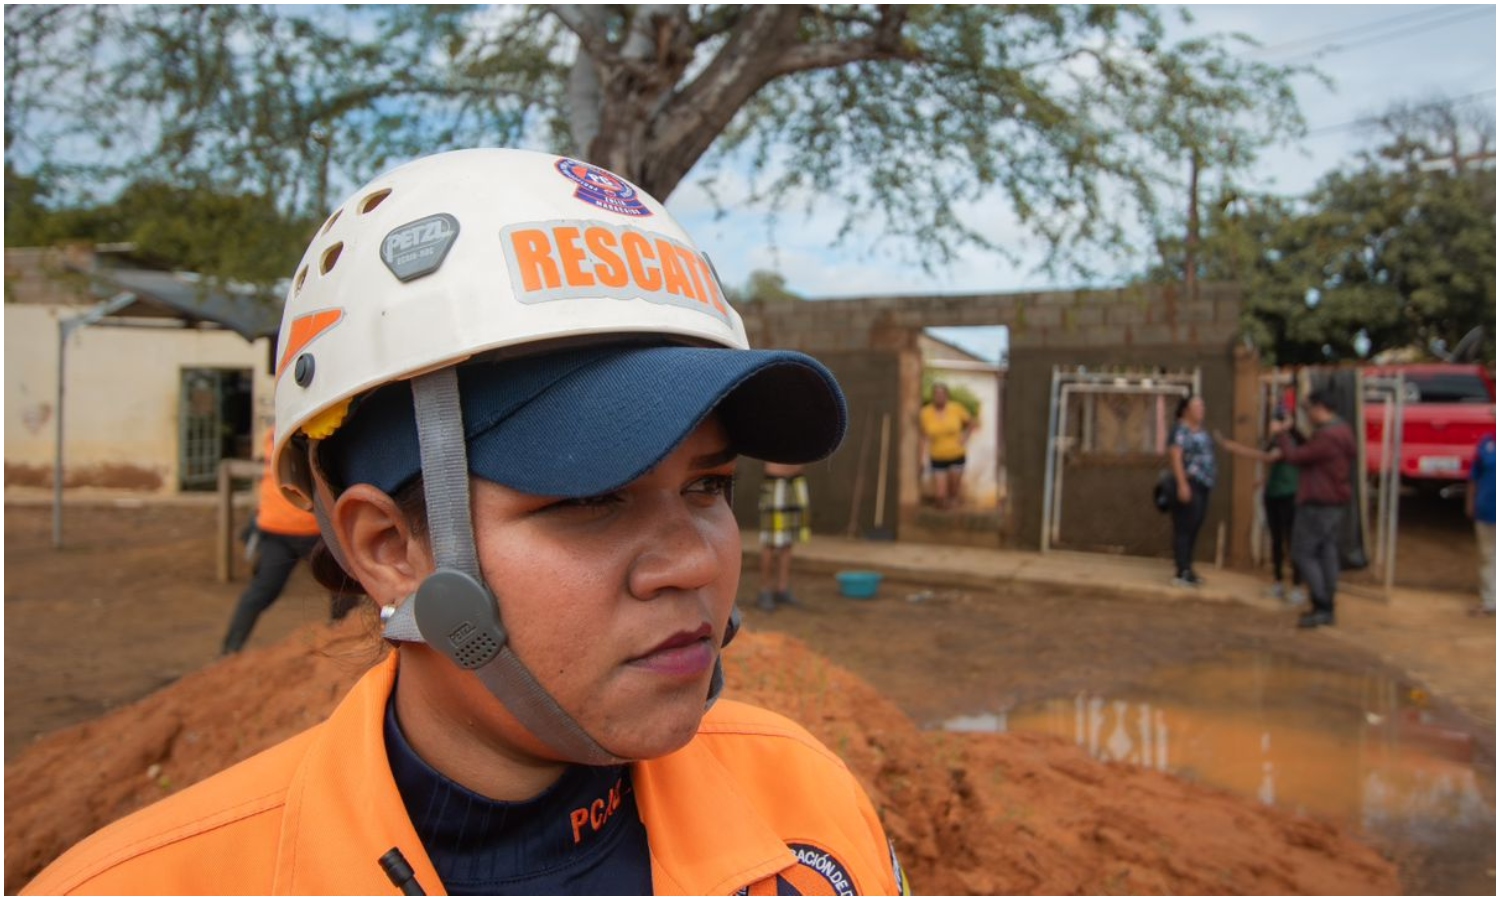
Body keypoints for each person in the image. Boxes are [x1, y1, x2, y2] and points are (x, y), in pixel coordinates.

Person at [24, 149, 906, 896]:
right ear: (390, 549)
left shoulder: (809, 804)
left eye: (708, 487)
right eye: (593, 497)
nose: (690, 564)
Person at [220, 433, 355, 654]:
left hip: (276, 526)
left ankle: (229, 650)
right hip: (304, 528)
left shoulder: (273, 433)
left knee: (262, 590)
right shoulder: (310, 430)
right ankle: (342, 634)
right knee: (344, 583)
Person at [1272, 389, 1357, 629]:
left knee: (1303, 553)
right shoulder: (1343, 431)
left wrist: (1281, 434)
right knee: (1326, 552)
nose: (1307, 414)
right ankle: (1327, 602)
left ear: (1320, 407)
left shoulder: (1328, 436)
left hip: (1317, 503)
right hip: (1334, 503)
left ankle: (1322, 605)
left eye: (1308, 409)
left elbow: (1295, 457)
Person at [1214, 405, 1305, 605]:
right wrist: (1263, 480)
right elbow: (1274, 463)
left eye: (1278, 420)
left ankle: (1298, 586)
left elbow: (1270, 457)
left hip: (1289, 496)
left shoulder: (1290, 440)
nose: (1273, 424)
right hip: (1273, 495)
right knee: (1276, 540)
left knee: (1292, 542)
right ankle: (1279, 582)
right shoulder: (1275, 440)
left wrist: (1235, 448)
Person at [1167, 394, 1216, 587]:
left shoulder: (1201, 430)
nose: (1201, 411)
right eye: (1197, 407)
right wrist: (1182, 484)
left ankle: (1188, 568)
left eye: (1202, 407)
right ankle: (1181, 571)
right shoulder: (1181, 430)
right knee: (1184, 527)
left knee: (1195, 526)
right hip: (1190, 483)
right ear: (1187, 410)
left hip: (1204, 484)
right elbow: (1176, 456)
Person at [757, 461, 811, 612]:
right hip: (775, 484)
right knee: (770, 542)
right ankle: (764, 590)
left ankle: (782, 589)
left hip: (796, 483)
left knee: (788, 541)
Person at [918, 382, 974, 509]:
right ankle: (941, 518)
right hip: (937, 457)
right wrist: (920, 459)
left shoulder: (956, 408)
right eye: (936, 393)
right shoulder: (925, 413)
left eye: (942, 393)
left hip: (956, 454)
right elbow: (923, 437)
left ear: (947, 395)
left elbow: (971, 423)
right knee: (940, 496)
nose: (939, 396)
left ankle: (954, 520)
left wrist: (965, 438)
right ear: (933, 396)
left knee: (953, 492)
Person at [1466, 430, 1496, 616]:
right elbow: (1474, 475)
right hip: (1486, 510)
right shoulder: (1486, 443)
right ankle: (1490, 601)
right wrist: (1470, 502)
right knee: (1488, 557)